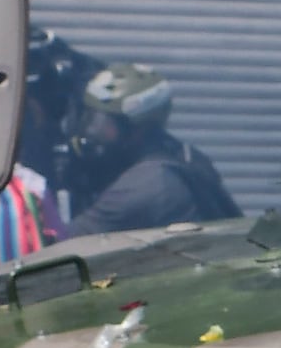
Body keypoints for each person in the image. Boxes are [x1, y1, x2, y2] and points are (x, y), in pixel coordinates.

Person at [58, 62, 240, 234]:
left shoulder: (143, 187)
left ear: (136, 129)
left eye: (103, 122)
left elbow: (59, 245)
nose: (91, 130)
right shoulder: (185, 155)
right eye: (90, 117)